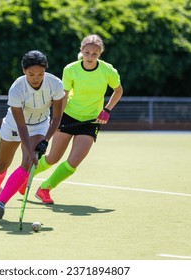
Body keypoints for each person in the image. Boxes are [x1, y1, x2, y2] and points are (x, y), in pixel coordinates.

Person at [32, 34, 123, 204]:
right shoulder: (70, 69)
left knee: (74, 162)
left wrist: (107, 110)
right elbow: (64, 96)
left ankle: (45, 189)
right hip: (69, 116)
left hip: (91, 121)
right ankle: (26, 176)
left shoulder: (108, 71)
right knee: (52, 158)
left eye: (94, 54)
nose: (90, 57)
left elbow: (118, 91)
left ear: (100, 54)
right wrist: (57, 119)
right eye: (87, 52)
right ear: (81, 50)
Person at [0, 50, 65, 219]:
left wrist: (45, 140)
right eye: (31, 74)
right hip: (15, 125)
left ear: (45, 71)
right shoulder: (17, 88)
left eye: (40, 73)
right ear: (24, 71)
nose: (36, 78)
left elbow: (57, 117)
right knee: (2, 164)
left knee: (28, 162)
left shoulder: (55, 84)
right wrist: (28, 147)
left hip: (39, 125)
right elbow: (21, 125)